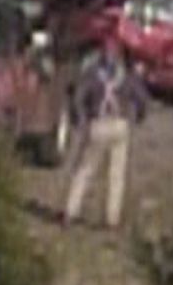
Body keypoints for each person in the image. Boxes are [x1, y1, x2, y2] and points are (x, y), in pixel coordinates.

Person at [64, 40, 150, 230]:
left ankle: (71, 211)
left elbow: (78, 98)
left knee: (85, 170)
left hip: (98, 123)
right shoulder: (127, 76)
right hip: (120, 124)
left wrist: (81, 119)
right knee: (116, 174)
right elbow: (142, 99)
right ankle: (112, 218)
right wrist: (138, 118)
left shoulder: (92, 75)